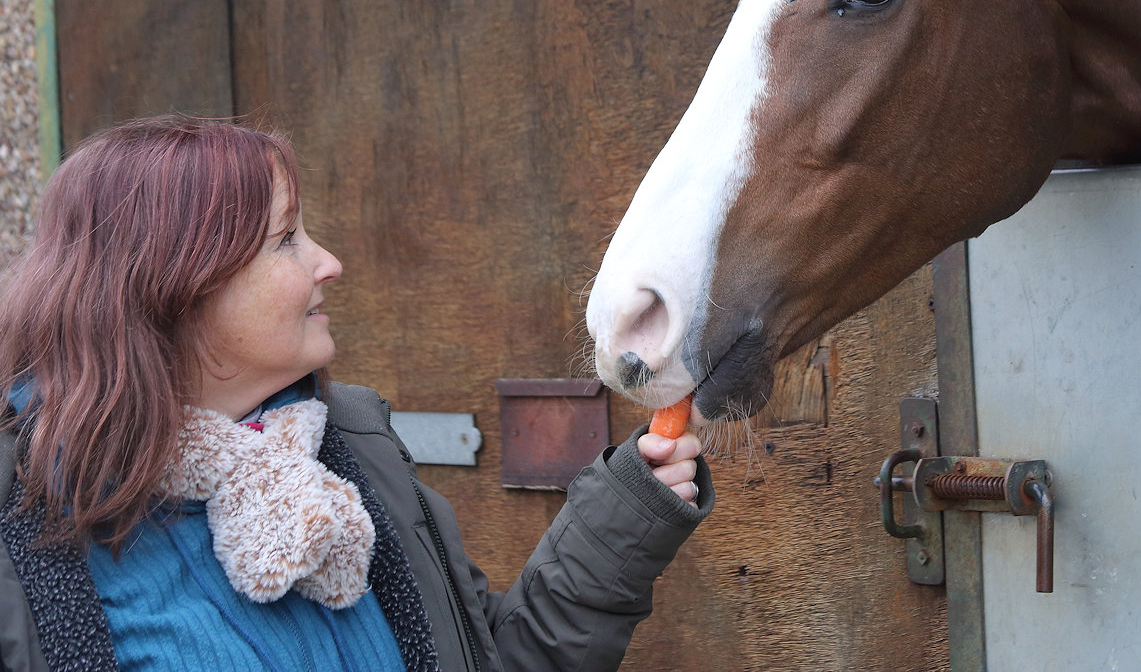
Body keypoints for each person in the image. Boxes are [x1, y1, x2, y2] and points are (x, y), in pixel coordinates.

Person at [0, 114, 712, 671]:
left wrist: (624, 513)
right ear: (176, 286)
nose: (329, 262)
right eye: (286, 239)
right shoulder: (26, 541)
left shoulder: (352, 452)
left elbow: (495, 659)